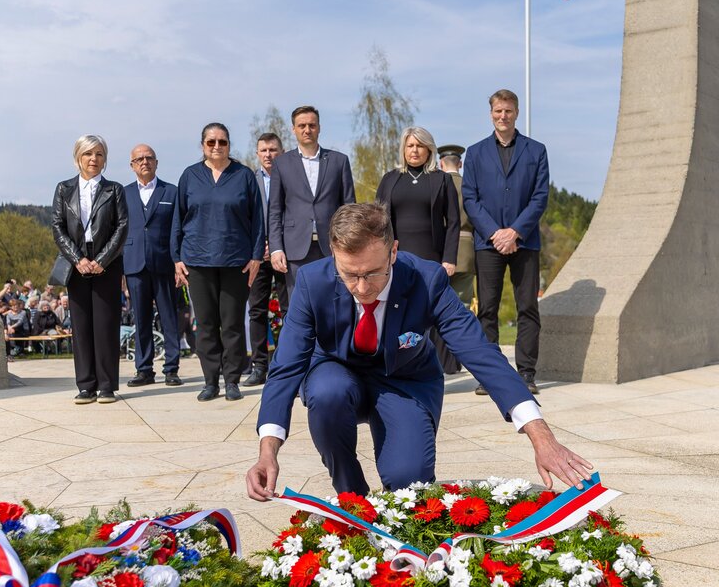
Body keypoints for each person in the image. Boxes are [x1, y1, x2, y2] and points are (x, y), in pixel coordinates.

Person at [246, 203, 592, 501]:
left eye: (373, 273)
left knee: (408, 483)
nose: (362, 288)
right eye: (349, 275)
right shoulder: (312, 282)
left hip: (404, 380)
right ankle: (352, 498)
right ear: (334, 255)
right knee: (326, 392)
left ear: (393, 252)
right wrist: (268, 450)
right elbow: (287, 366)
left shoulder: (426, 280)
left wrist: (540, 436)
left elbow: (479, 352)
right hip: (336, 373)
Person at [462, 89, 548, 396]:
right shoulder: (474, 153)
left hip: (525, 242)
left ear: (517, 112)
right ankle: (491, 374)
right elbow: (470, 199)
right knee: (487, 309)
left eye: (508, 111)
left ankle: (526, 373)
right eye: (498, 111)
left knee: (527, 308)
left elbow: (540, 197)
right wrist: (495, 233)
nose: (503, 116)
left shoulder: (536, 151)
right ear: (491, 113)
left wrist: (515, 232)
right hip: (488, 243)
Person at [171, 123, 264, 402]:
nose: (216, 147)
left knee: (233, 323)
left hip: (235, 260)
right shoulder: (190, 176)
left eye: (222, 142)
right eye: (211, 142)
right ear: (202, 146)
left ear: (228, 145)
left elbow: (258, 219)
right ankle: (210, 381)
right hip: (198, 261)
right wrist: (176, 258)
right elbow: (178, 218)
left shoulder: (244, 176)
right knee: (207, 324)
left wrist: (257, 256)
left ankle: (232, 380)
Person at [376, 126, 460, 375]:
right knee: (401, 314)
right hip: (397, 259)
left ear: (429, 149)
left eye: (420, 145)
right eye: (410, 145)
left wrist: (449, 258)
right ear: (403, 149)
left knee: (431, 313)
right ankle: (402, 362)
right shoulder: (390, 179)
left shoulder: (441, 179)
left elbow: (453, 221)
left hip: (433, 258)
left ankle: (441, 366)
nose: (414, 150)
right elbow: (379, 220)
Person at [52, 134, 128, 404]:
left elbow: (121, 227)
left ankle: (107, 386)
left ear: (105, 159)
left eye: (98, 154)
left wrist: (102, 260)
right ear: (78, 158)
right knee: (82, 326)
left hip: (106, 263)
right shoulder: (63, 189)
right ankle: (86, 386)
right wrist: (77, 259)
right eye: (88, 154)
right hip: (77, 262)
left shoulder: (114, 190)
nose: (93, 159)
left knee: (106, 324)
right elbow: (58, 228)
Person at [267, 105, 356, 296]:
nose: (307, 130)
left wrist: (350, 244)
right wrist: (276, 249)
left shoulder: (339, 161)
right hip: (295, 249)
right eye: (302, 126)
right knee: (300, 305)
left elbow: (349, 208)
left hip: (333, 247)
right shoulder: (281, 164)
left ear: (319, 127)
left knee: (335, 303)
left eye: (311, 125)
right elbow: (275, 210)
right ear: (294, 129)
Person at [123, 144, 182, 388]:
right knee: (141, 319)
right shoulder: (123, 194)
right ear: (132, 165)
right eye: (139, 159)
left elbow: (179, 229)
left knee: (169, 318)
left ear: (156, 162)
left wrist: (179, 262)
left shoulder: (172, 192)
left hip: (164, 262)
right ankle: (144, 369)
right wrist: (120, 272)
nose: (144, 162)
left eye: (149, 158)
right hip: (134, 264)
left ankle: (171, 368)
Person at [244, 133, 290, 387]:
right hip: (257, 256)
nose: (268, 154)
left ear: (281, 152)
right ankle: (260, 365)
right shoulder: (249, 180)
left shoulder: (291, 178)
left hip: (285, 253)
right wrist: (258, 247)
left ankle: (284, 364)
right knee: (257, 310)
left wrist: (277, 245)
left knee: (289, 310)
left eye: (273, 149)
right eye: (263, 150)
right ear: (257, 153)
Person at [439, 145, 476, 310]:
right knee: (463, 306)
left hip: (440, 249)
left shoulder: (436, 185)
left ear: (441, 164)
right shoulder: (470, 187)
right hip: (466, 250)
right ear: (460, 164)